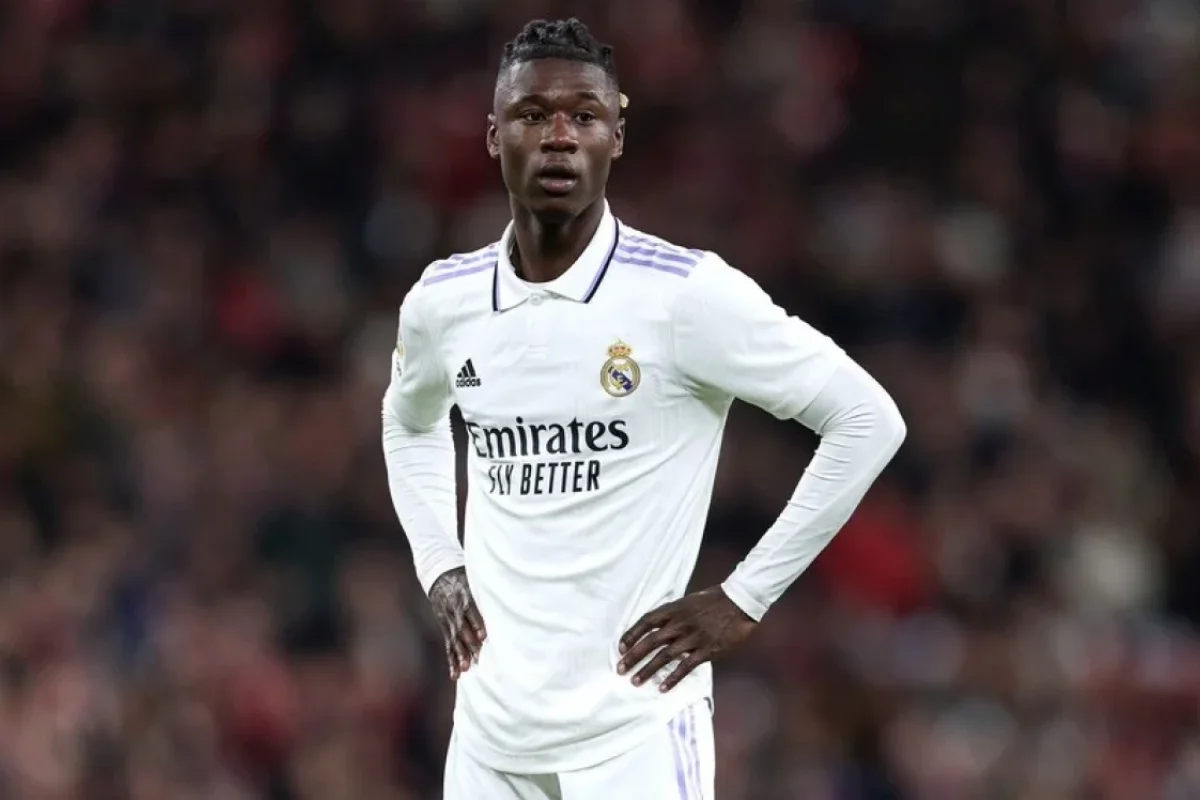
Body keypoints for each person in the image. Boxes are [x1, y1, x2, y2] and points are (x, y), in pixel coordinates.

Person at [381, 17, 906, 800]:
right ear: (494, 136)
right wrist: (440, 565)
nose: (560, 137)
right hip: (490, 739)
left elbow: (868, 420)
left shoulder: (683, 296)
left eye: (585, 116)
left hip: (634, 733)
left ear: (616, 138)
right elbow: (408, 421)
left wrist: (744, 597)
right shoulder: (443, 302)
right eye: (532, 115)